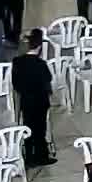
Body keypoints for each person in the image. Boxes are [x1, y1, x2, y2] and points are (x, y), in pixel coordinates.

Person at [10, 29, 55, 165]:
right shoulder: (41, 65)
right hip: (40, 101)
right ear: (40, 46)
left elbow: (15, 84)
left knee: (28, 127)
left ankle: (29, 156)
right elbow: (48, 80)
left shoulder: (17, 62)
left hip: (26, 101)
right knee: (40, 130)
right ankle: (41, 156)